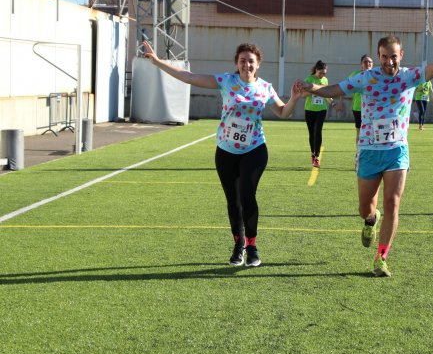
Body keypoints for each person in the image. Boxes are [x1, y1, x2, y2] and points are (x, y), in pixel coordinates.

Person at [297, 14, 433, 277]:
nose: (389, 61)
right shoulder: (367, 77)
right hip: (369, 151)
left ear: (401, 55)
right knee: (365, 207)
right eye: (384, 56)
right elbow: (337, 89)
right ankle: (371, 221)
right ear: (379, 56)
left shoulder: (410, 77)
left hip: (396, 151)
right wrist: (311, 88)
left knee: (393, 202)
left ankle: (381, 257)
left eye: (393, 56)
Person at [142, 41, 303, 267]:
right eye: (242, 60)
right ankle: (238, 246)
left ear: (258, 65)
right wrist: (158, 62)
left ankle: (252, 246)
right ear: (236, 63)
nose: (247, 64)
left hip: (255, 149)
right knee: (233, 200)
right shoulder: (226, 81)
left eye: (251, 61)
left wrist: (295, 98)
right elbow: (190, 76)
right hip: (226, 151)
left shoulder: (265, 88)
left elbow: (283, 112)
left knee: (247, 195)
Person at [303, 60, 331, 168]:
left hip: (321, 109)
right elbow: (303, 94)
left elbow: (327, 94)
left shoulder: (325, 80)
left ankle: (316, 157)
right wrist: (315, 89)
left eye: (324, 73)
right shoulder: (309, 79)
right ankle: (312, 154)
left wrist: (333, 103)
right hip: (309, 110)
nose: (322, 75)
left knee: (318, 131)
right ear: (316, 70)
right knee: (312, 133)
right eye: (321, 73)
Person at [340, 55, 374, 142]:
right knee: (359, 132)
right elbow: (344, 87)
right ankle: (358, 153)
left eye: (370, 62)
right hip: (358, 108)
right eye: (365, 62)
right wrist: (340, 102)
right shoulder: (355, 75)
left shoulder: (376, 75)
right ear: (361, 64)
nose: (368, 63)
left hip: (372, 108)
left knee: (373, 132)